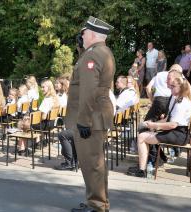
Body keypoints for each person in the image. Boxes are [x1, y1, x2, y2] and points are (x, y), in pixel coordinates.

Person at [66, 16, 114, 212]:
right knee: (96, 161)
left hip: (90, 116)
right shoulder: (101, 52)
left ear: (92, 34)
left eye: (84, 32)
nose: (81, 35)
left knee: (91, 163)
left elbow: (88, 90)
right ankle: (99, 202)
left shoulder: (92, 56)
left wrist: (83, 121)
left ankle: (96, 205)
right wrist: (81, 50)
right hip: (98, 113)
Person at [127, 76, 191, 177]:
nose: (170, 88)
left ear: (181, 87)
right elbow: (168, 119)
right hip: (178, 133)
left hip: (178, 135)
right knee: (144, 131)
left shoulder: (181, 103)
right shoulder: (179, 99)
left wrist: (154, 125)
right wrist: (152, 125)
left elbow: (172, 125)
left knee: (142, 136)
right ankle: (145, 165)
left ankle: (142, 170)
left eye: (173, 86)